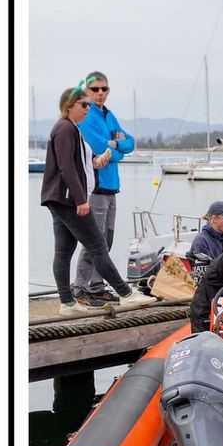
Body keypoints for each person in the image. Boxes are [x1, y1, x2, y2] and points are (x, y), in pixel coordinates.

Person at [41, 87, 157, 316]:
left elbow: (76, 164)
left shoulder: (71, 129)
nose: (88, 109)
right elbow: (65, 168)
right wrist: (81, 199)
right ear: (69, 106)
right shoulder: (65, 129)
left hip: (60, 199)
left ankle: (67, 303)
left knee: (64, 251)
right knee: (97, 246)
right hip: (68, 200)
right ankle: (126, 294)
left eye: (89, 105)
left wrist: (96, 162)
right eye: (84, 105)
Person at [72, 71, 134, 306]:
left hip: (111, 186)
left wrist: (116, 144)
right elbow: (98, 147)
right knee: (94, 241)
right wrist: (116, 149)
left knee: (106, 240)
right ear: (86, 90)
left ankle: (97, 286)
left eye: (104, 89)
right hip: (95, 187)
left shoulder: (108, 115)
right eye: (95, 89)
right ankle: (80, 286)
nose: (100, 93)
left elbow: (130, 143)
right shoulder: (86, 116)